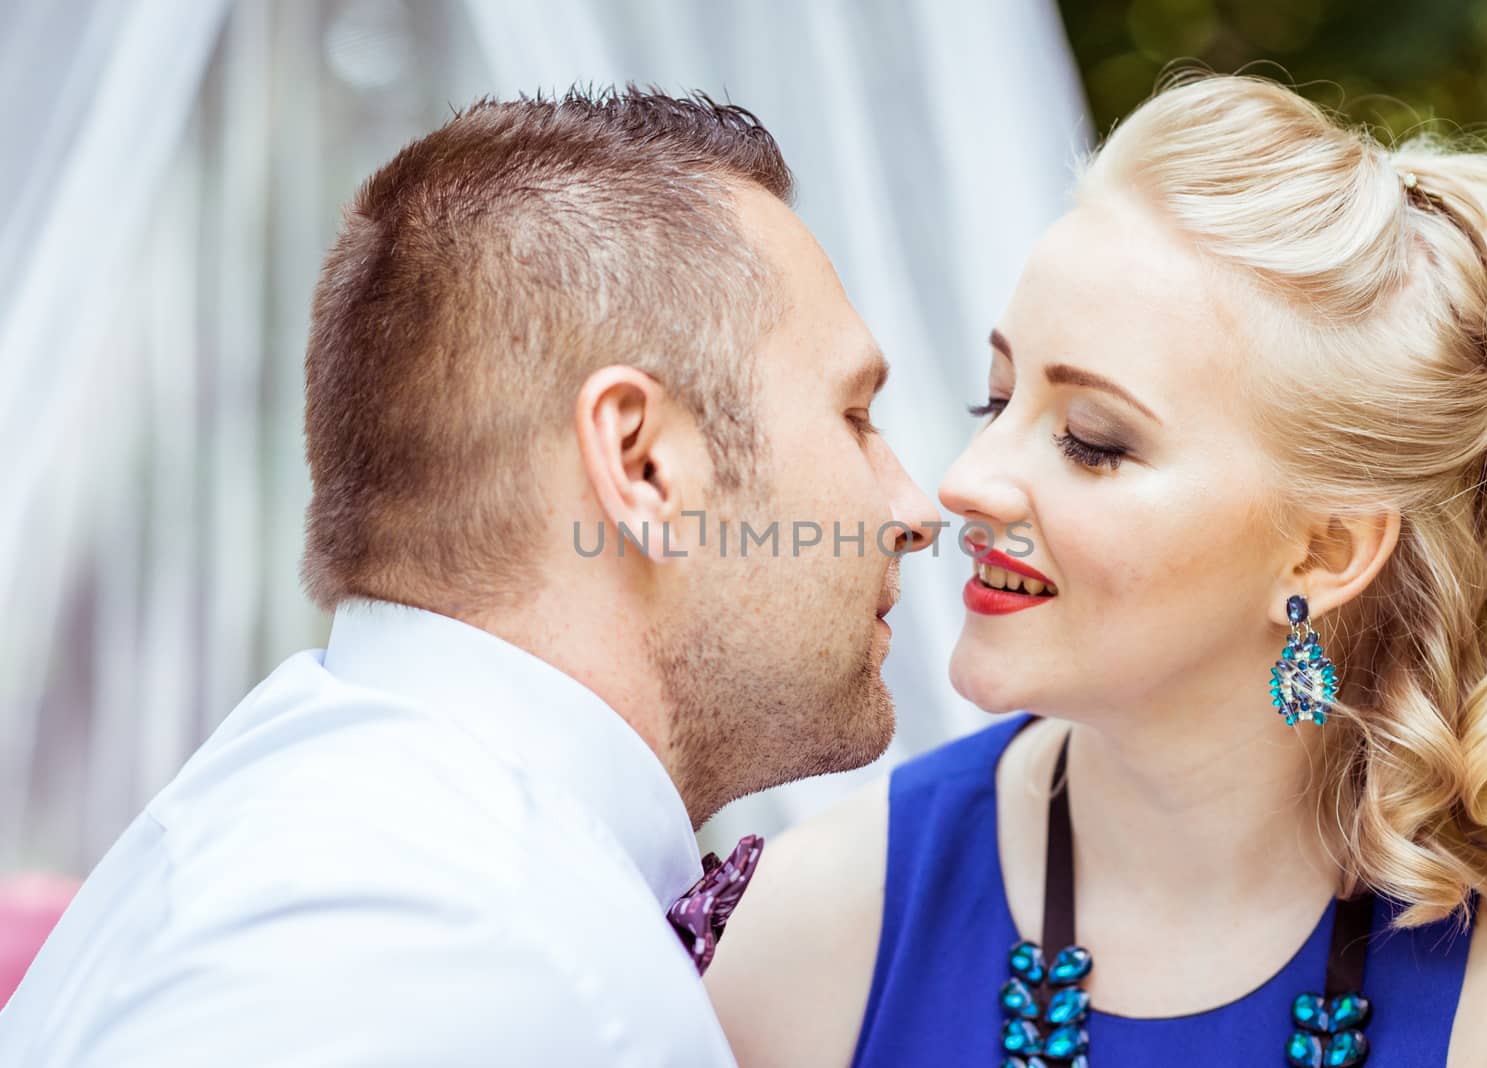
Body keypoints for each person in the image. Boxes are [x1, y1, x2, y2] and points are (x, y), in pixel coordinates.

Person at [0, 86, 938, 1067]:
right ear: (644, 464)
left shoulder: (350, 826)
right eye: (855, 416)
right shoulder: (457, 949)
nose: (914, 509)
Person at [705, 72, 1487, 1067]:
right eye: (993, 402)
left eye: (1092, 441)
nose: (966, 483)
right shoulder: (814, 928)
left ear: (1323, 552)